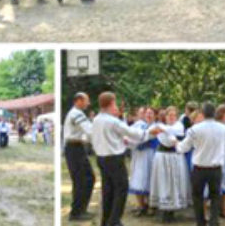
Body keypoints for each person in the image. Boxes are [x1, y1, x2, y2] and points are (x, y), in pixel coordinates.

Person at [172, 102, 225, 226]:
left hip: (199, 168)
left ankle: (200, 222)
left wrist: (176, 144)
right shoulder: (223, 128)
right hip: (216, 167)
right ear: (214, 113)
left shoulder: (195, 129)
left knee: (198, 196)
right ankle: (214, 221)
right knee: (215, 196)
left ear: (203, 114)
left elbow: (184, 147)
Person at [91, 92, 147, 226]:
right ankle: (114, 221)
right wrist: (149, 133)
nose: (116, 106)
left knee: (108, 190)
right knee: (121, 188)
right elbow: (133, 133)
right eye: (114, 103)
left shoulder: (97, 119)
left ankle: (106, 220)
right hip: (114, 159)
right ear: (111, 103)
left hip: (102, 158)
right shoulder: (112, 121)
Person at [149, 106, 190, 220]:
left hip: (175, 157)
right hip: (162, 157)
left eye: (173, 115)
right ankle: (164, 209)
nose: (171, 117)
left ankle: (172, 209)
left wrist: (163, 130)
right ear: (165, 116)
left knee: (174, 182)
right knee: (163, 182)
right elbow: (151, 131)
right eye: (169, 115)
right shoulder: (161, 126)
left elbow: (174, 133)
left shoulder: (179, 126)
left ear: (177, 117)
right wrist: (161, 129)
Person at [64, 93, 96, 221]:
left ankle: (80, 209)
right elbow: (90, 131)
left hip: (77, 148)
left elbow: (87, 133)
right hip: (74, 149)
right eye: (86, 101)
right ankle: (77, 212)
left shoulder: (76, 113)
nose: (88, 104)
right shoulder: (77, 113)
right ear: (79, 100)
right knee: (82, 180)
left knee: (86, 179)